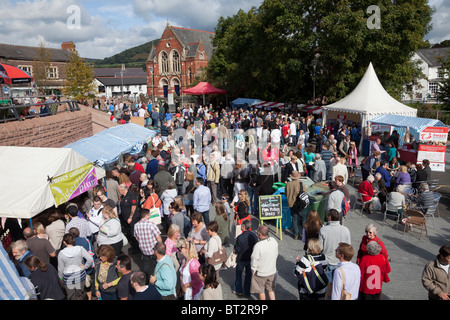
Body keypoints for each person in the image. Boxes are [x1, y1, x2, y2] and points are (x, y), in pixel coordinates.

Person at [57, 233, 94, 299]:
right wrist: (85, 267)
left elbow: (60, 268)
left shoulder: (61, 253)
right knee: (80, 296)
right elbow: (90, 259)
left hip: (68, 278)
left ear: (64, 242)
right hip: (80, 275)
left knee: (70, 296)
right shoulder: (80, 248)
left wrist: (60, 278)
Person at [318, 209, 351, 282]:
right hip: (341, 262)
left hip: (328, 261)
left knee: (327, 285)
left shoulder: (323, 230)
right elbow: (349, 247)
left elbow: (320, 248)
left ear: (329, 217)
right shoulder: (346, 230)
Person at [251, 225, 279, 300]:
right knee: (271, 289)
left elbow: (254, 259)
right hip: (272, 271)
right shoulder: (274, 240)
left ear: (259, 234)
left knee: (261, 291)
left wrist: (253, 269)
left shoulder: (258, 246)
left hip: (261, 273)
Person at [133, 208, 163, 280]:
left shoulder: (136, 225)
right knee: (157, 263)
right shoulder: (151, 224)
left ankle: (145, 279)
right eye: (149, 214)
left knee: (146, 264)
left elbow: (136, 237)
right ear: (146, 216)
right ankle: (157, 277)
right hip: (153, 249)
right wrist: (161, 245)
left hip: (144, 249)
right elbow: (158, 237)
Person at [233, 219, 258, 298]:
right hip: (250, 258)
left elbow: (238, 249)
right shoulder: (254, 235)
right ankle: (247, 292)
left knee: (239, 274)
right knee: (248, 275)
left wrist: (235, 245)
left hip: (241, 259)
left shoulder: (240, 237)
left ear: (243, 227)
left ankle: (239, 290)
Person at [118, 183, 140, 254]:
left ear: (122, 189)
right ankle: (133, 246)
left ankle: (137, 248)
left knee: (133, 233)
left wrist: (130, 217)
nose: (118, 191)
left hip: (132, 219)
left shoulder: (131, 195)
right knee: (129, 233)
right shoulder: (122, 196)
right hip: (125, 219)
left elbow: (133, 207)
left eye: (119, 190)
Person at [285, 170, 307, 240]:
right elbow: (305, 193)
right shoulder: (301, 183)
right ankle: (304, 234)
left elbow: (286, 194)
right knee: (303, 218)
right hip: (300, 204)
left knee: (294, 219)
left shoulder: (288, 184)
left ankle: (296, 234)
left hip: (291, 204)